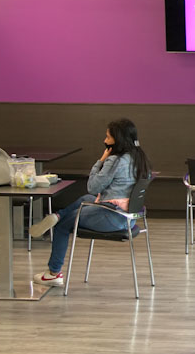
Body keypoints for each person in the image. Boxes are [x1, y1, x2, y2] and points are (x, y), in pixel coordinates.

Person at [28, 118, 152, 287]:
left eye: (108, 137)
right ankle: (57, 215)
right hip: (129, 217)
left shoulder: (115, 161)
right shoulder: (141, 159)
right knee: (86, 199)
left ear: (118, 139)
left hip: (112, 217)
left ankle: (53, 273)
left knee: (62, 226)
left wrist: (101, 161)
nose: (105, 140)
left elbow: (92, 187)